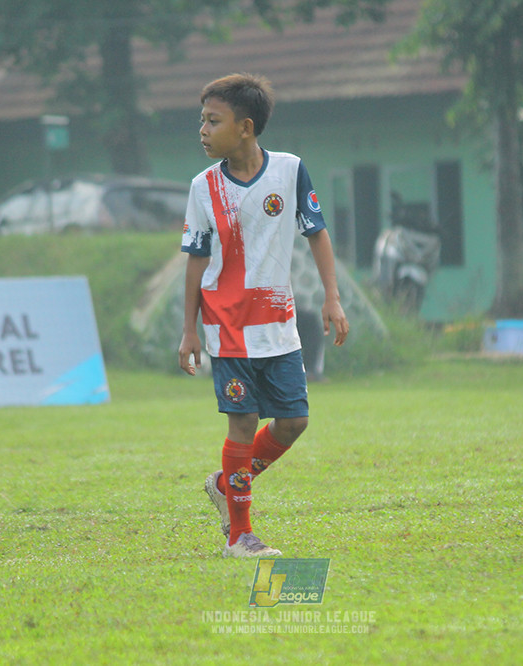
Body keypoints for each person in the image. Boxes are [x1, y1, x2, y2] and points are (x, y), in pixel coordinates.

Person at [178, 73, 349, 558]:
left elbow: (316, 232)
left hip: (280, 325)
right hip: (227, 327)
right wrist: (189, 329)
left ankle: (224, 483)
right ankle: (240, 535)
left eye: (214, 121)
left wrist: (332, 298)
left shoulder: (291, 171)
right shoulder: (203, 187)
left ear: (246, 127)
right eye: (202, 120)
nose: (203, 130)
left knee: (294, 421)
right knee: (242, 422)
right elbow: (194, 259)